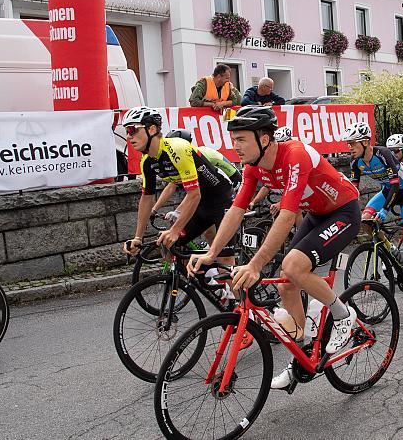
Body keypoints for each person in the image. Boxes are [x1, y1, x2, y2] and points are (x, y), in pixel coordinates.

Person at [186, 106, 362, 390]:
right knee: (285, 284)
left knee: (293, 267)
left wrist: (255, 265)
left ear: (264, 139)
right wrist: (211, 252)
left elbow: (287, 215)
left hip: (343, 212)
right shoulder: (253, 167)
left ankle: (343, 315)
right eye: (234, 139)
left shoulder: (294, 155)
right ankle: (303, 353)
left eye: (241, 139)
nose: (235, 146)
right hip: (316, 214)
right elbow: (236, 210)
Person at [120, 107, 235, 262]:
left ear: (152, 129)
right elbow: (146, 199)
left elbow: (194, 194)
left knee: (224, 260)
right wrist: (137, 238)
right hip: (201, 204)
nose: (128, 136)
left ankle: (228, 285)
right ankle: (193, 282)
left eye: (132, 129)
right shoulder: (147, 162)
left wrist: (175, 230)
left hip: (221, 199)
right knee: (169, 245)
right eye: (127, 131)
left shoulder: (177, 148)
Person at [346, 123, 403, 298]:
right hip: (387, 191)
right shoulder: (355, 162)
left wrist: (384, 211)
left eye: (353, 143)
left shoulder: (383, 154)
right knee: (365, 220)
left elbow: (396, 186)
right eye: (349, 143)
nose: (350, 148)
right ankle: (391, 248)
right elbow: (353, 191)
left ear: (366, 143)